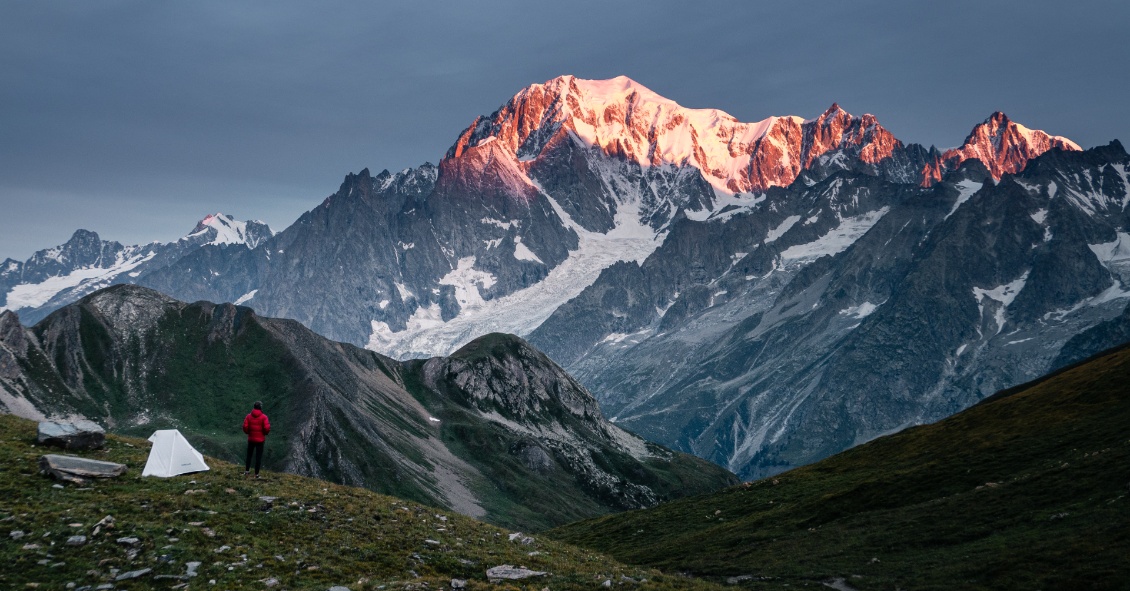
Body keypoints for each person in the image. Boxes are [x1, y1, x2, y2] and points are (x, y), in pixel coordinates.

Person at [242, 401, 270, 478]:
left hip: (251, 439)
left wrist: (248, 432)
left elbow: (245, 427)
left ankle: (247, 471)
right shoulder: (264, 417)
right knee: (258, 457)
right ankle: (256, 474)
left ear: (253, 407)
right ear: (261, 407)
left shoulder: (248, 416)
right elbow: (266, 428)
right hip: (260, 440)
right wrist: (264, 433)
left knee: (249, 455)